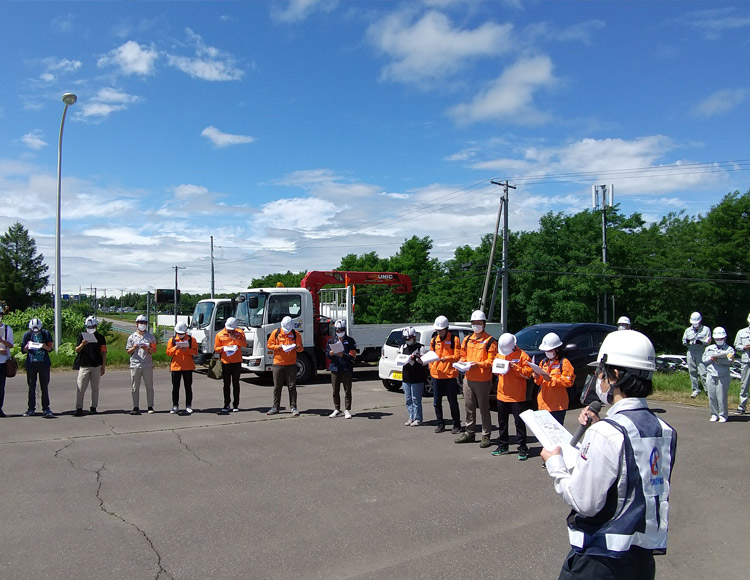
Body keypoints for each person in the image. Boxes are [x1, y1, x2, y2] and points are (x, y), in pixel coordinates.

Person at [541, 330, 677, 580]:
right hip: (641, 560)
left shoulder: (607, 433)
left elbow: (585, 502)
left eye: (600, 372)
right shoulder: (665, 430)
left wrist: (555, 465)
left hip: (600, 560)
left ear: (615, 375)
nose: (598, 379)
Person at [455, 310, 497, 448]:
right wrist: (462, 362)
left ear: (484, 324)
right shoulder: (467, 339)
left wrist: (478, 364)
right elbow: (463, 355)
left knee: (484, 407)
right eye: (473, 323)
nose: (475, 325)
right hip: (468, 378)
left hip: (483, 380)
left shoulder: (490, 341)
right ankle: (470, 432)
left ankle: (486, 435)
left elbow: (492, 362)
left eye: (478, 323)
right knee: (469, 406)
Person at [491, 332, 532, 460]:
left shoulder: (523, 356)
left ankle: (522, 448)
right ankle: (503, 445)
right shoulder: (500, 354)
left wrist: (516, 368)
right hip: (502, 394)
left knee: (519, 423)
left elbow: (528, 374)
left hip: (517, 396)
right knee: (502, 423)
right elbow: (496, 370)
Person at [428, 315, 462, 434]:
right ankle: (440, 424)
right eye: (437, 330)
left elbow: (458, 356)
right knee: (437, 402)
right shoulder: (434, 340)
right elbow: (431, 356)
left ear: (446, 328)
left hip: (449, 376)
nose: (439, 332)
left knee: (452, 401)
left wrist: (446, 358)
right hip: (436, 375)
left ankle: (457, 425)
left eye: (441, 330)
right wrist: (431, 367)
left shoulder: (454, 339)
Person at [533, 332, 574, 425]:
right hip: (543, 404)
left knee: (556, 433)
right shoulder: (543, 362)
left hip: (558, 406)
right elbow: (539, 382)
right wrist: (536, 377)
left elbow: (568, 382)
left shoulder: (564, 363)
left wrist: (551, 379)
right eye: (546, 351)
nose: (547, 353)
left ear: (557, 349)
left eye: (550, 350)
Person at [266, 316, 303, 416]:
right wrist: (279, 347)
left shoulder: (296, 334)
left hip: (291, 364)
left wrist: (297, 347)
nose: (287, 332)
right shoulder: (276, 333)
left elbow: (301, 348)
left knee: (292, 386)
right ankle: (275, 407)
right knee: (277, 386)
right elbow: (269, 345)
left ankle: (294, 407)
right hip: (278, 363)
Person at [73, 316, 107, 417]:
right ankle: (79, 408)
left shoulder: (100, 337)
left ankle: (93, 407)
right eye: (89, 326)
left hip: (96, 365)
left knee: (95, 388)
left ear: (96, 326)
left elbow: (103, 352)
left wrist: (103, 366)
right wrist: (82, 344)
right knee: (80, 387)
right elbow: (77, 350)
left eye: (92, 326)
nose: (90, 328)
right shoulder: (82, 336)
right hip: (84, 365)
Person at [21, 318, 54, 417]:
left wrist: (44, 346)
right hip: (31, 364)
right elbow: (23, 350)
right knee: (31, 386)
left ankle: (46, 408)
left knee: (44, 386)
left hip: (44, 363)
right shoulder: (27, 335)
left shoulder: (46, 334)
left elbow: (50, 348)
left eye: (38, 330)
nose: (36, 332)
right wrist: (27, 347)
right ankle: (31, 408)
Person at [125, 314, 157, 415]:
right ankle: (135, 406)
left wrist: (147, 349)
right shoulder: (131, 337)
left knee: (149, 386)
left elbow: (154, 350)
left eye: (144, 323)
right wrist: (134, 348)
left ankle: (150, 406)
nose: (142, 325)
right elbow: (128, 352)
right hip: (135, 364)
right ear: (136, 324)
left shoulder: (151, 337)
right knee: (135, 387)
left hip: (147, 364)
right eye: (140, 323)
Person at [214, 317, 247, 413]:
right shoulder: (219, 334)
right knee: (226, 384)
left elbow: (244, 344)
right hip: (225, 362)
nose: (230, 331)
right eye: (229, 329)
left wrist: (236, 339)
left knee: (236, 383)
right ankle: (226, 403)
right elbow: (216, 348)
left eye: (232, 329)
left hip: (236, 362)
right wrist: (223, 348)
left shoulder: (240, 333)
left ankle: (236, 404)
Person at [703, 326, 735, 423]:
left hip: (723, 375)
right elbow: (704, 360)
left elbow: (730, 361)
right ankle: (714, 414)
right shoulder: (709, 348)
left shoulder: (729, 349)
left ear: (724, 338)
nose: (719, 340)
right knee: (711, 395)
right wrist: (711, 359)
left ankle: (723, 415)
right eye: (717, 339)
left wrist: (719, 360)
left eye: (721, 338)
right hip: (711, 374)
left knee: (721, 396)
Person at [166, 321, 199, 414]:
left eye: (182, 333)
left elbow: (195, 352)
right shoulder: (172, 340)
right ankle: (175, 406)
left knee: (188, 387)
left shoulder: (191, 340)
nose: (180, 335)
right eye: (179, 333)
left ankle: (188, 405)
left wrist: (187, 350)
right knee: (175, 388)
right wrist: (175, 348)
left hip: (188, 367)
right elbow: (168, 353)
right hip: (176, 367)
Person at [327, 319, 357, 419]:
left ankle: (347, 409)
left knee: (347, 389)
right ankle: (336, 409)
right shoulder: (331, 341)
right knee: (335, 390)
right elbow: (327, 354)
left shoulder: (351, 341)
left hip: (346, 368)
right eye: (337, 331)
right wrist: (331, 354)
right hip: (335, 368)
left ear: (345, 330)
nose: (339, 332)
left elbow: (353, 356)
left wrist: (343, 355)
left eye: (341, 330)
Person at [399, 326, 428, 427]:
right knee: (408, 398)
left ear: (414, 337)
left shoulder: (421, 347)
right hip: (406, 376)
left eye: (409, 338)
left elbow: (424, 362)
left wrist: (416, 358)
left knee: (416, 399)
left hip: (417, 377)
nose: (408, 341)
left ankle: (418, 418)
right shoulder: (403, 347)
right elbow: (400, 359)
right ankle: (411, 417)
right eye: (406, 339)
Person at [682, 311, 711, 398]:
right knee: (692, 371)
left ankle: (708, 390)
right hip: (690, 351)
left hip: (701, 351)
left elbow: (708, 341)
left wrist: (701, 342)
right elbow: (683, 341)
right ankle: (695, 390)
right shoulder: (688, 330)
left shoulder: (706, 329)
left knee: (703, 372)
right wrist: (686, 342)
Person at [734, 313, 750, 415]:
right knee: (744, 384)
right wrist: (744, 347)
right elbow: (736, 345)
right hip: (746, 361)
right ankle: (742, 406)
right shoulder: (741, 332)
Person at [0, 308, 13, 417]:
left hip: (3, 362)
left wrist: (2, 341)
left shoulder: (7, 329)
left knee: (1, 387)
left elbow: (10, 345)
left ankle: (0, 408)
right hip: (2, 356)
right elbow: (4, 349)